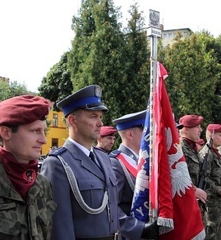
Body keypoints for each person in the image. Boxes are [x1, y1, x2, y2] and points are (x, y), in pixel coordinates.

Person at [0, 95, 56, 239]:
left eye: (43, 131)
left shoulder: (42, 185)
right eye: (35, 131)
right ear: (6, 133)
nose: (43, 140)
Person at [40, 85, 121, 240]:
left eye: (100, 117)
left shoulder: (103, 157)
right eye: (93, 116)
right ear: (73, 120)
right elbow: (60, 228)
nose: (100, 123)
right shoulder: (58, 164)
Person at [109, 110, 158, 240]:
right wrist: (138, 229)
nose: (150, 134)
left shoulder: (143, 161)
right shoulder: (116, 163)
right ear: (130, 134)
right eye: (146, 130)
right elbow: (112, 207)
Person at [199, 124, 221, 240]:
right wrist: (219, 189)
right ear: (211, 135)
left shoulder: (216, 154)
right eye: (220, 135)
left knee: (218, 232)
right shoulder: (206, 154)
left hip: (217, 201)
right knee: (211, 233)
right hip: (210, 202)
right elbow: (204, 179)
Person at [178, 114, 207, 226]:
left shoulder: (192, 148)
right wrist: (194, 190)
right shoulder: (179, 148)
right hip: (185, 205)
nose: (201, 130)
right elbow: (176, 177)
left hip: (196, 205)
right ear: (187, 129)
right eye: (197, 127)